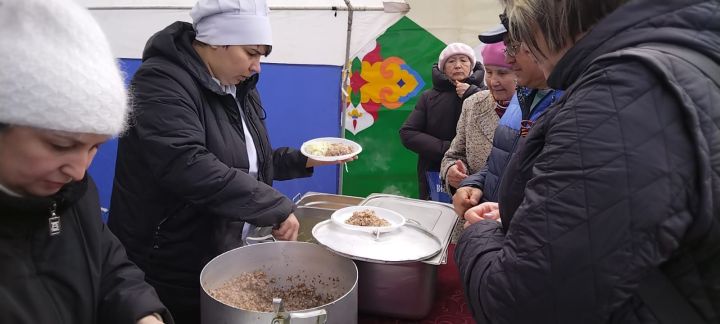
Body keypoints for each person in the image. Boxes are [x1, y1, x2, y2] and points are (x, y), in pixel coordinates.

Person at [456, 0, 720, 323]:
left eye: (518, 27)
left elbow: (517, 305)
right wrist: (524, 217)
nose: (517, 48)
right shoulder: (678, 63)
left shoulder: (620, 93)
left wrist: (478, 234)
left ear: (551, 13)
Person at [107, 0, 353, 322]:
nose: (257, 67)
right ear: (217, 41)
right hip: (168, 256)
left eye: (261, 56)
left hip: (219, 247)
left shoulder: (240, 88)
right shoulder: (161, 82)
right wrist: (274, 206)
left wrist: (303, 161)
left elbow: (248, 162)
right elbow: (187, 164)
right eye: (251, 53)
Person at [0, 0, 172, 323]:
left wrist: (141, 312)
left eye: (95, 148)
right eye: (60, 145)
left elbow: (104, 260)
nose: (80, 171)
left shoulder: (70, 191)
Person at [452, 20, 562, 217]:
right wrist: (473, 184)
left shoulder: (572, 105)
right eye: (489, 71)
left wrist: (507, 218)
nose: (508, 57)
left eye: (513, 46)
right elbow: (501, 161)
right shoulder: (523, 97)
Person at [399, 43, 485, 200]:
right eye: (451, 61)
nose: (458, 65)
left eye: (463, 60)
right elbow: (407, 133)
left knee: (473, 219)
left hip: (478, 175)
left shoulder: (486, 95)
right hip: (435, 172)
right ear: (443, 68)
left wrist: (472, 94)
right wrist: (448, 149)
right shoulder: (429, 97)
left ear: (471, 66)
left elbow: (496, 128)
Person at [440, 42, 515, 194]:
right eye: (489, 72)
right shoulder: (473, 104)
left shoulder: (535, 109)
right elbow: (453, 155)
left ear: (519, 72)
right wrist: (451, 170)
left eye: (502, 73)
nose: (493, 81)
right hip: (475, 205)